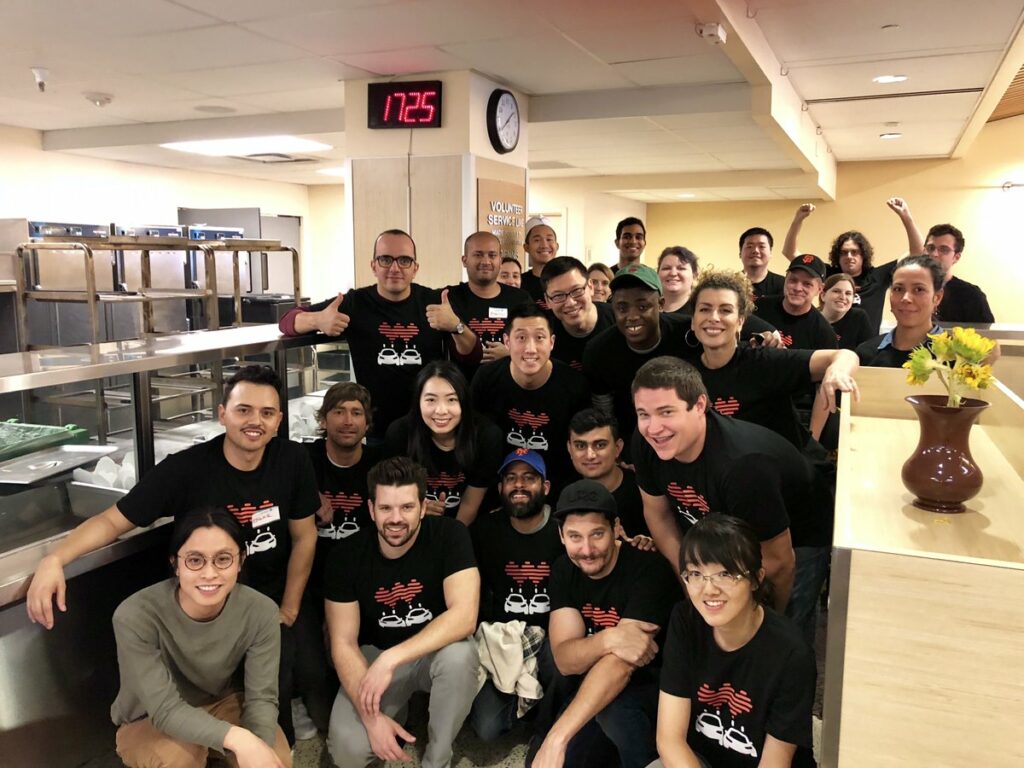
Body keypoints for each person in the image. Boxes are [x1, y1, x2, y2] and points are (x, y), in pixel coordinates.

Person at [27, 365, 320, 743]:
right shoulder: (186, 469)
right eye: (243, 410)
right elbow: (113, 521)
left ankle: (277, 719)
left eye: (266, 413)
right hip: (210, 601)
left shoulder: (292, 460)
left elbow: (305, 537)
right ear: (222, 414)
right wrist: (55, 559)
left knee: (305, 671)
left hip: (273, 596)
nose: (255, 422)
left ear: (279, 419)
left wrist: (290, 608)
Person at [324, 457, 480, 768]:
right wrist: (371, 720)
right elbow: (342, 642)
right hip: (372, 653)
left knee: (460, 656)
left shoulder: (450, 535)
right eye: (385, 508)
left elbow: (464, 617)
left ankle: (438, 759)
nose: (396, 518)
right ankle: (395, 710)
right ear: (371, 510)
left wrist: (392, 658)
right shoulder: (345, 555)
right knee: (347, 753)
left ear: (423, 507)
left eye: (407, 507)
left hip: (431, 652)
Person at [111, 508, 292, 768]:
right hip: (149, 717)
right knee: (178, 759)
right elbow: (164, 709)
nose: (209, 574)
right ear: (175, 563)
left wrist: (257, 747)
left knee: (276, 760)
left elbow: (261, 698)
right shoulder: (134, 616)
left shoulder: (261, 611)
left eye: (223, 559)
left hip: (222, 702)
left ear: (241, 561)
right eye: (195, 560)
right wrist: (239, 740)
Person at [632, 356, 814, 611]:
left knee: (783, 629)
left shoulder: (743, 469)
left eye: (666, 412)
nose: (654, 428)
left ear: (699, 406)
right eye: (644, 414)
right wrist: (691, 581)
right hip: (722, 529)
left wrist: (762, 625)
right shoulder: (647, 441)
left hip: (796, 534)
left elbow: (779, 564)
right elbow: (658, 515)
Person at [531, 479, 681, 768]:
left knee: (613, 715)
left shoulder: (649, 569)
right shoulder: (564, 569)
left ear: (616, 529)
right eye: (575, 537)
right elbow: (564, 659)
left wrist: (558, 737)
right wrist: (610, 638)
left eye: (597, 534)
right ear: (561, 536)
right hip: (592, 683)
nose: (587, 549)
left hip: (652, 687)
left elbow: (626, 660)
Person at [278, 229, 479, 438]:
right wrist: (318, 319)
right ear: (373, 265)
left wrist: (456, 325)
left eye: (404, 260)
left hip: (429, 426)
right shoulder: (356, 302)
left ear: (415, 268)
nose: (395, 268)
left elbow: (472, 355)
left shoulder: (434, 301)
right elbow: (286, 321)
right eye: (385, 259)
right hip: (376, 428)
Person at [654, 515, 816, 768]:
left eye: (725, 574)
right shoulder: (686, 620)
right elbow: (669, 738)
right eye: (696, 574)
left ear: (756, 578)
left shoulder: (791, 653)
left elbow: (775, 762)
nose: (709, 590)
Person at [584, 264, 778, 452]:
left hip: (690, 434)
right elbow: (604, 413)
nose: (632, 316)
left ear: (660, 305)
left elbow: (727, 319)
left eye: (643, 306)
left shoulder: (685, 330)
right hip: (634, 436)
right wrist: (619, 450)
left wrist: (769, 333)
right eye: (622, 308)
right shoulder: (599, 351)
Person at [468, 449, 565, 741]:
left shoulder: (564, 531)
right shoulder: (485, 530)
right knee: (486, 729)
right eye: (511, 478)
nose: (519, 485)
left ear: (545, 487)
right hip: (503, 639)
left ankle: (547, 717)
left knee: (562, 668)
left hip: (552, 638)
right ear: (500, 488)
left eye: (529, 477)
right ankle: (526, 701)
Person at [471, 303, 591, 493]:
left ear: (551, 342)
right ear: (507, 341)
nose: (530, 349)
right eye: (521, 338)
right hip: (498, 483)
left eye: (539, 338)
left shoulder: (574, 385)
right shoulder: (487, 378)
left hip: (557, 484)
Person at [384, 361, 503, 526]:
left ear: (464, 402)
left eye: (451, 400)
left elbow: (470, 504)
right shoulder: (400, 434)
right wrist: (417, 509)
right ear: (418, 402)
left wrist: (452, 540)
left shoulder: (487, 436)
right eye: (431, 400)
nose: (441, 410)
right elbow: (395, 496)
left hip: (468, 526)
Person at [781, 198, 925, 332]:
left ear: (863, 255)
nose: (849, 257)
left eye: (854, 252)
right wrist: (797, 220)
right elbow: (790, 252)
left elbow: (917, 252)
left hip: (865, 349)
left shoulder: (877, 276)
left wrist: (906, 216)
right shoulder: (830, 275)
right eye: (844, 253)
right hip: (829, 344)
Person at [443, 231, 532, 374]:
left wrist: (512, 353)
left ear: (500, 260)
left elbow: (536, 340)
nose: (485, 261)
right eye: (478, 255)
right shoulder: (449, 297)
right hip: (463, 389)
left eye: (492, 255)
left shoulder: (520, 299)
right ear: (464, 260)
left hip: (510, 386)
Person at [567, 408, 650, 541]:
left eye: (600, 445)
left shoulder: (644, 488)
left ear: (618, 448)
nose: (590, 455)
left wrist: (650, 544)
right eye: (580, 446)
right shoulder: (564, 493)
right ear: (569, 449)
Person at [855, 254, 946, 368]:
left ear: (937, 297)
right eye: (898, 289)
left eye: (919, 289)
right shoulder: (866, 354)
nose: (906, 298)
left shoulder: (956, 357)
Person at [542, 256, 616, 372]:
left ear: (590, 287)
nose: (570, 302)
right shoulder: (543, 332)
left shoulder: (617, 318)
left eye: (577, 290)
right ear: (547, 301)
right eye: (558, 296)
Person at [755, 254, 838, 351]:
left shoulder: (824, 333)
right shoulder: (758, 308)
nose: (797, 288)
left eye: (807, 284)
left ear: (819, 289)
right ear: (785, 280)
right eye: (793, 280)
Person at [924, 223, 995, 323]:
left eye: (944, 250)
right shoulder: (912, 290)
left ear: (956, 257)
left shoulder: (971, 296)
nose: (934, 254)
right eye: (930, 248)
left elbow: (987, 337)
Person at [819, 273, 874, 351]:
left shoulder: (858, 317)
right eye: (836, 291)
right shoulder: (811, 319)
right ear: (823, 296)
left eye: (848, 293)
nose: (843, 297)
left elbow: (869, 354)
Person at [521, 217, 560, 306]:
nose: (544, 245)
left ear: (557, 246)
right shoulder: (520, 282)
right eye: (537, 240)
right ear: (526, 247)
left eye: (549, 239)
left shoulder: (566, 280)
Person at [737, 227, 784, 300]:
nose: (755, 250)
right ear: (740, 252)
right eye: (749, 246)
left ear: (770, 252)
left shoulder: (783, 284)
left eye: (761, 246)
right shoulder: (728, 284)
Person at [658, 246, 698, 314]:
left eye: (681, 268)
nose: (673, 273)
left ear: (694, 275)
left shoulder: (700, 309)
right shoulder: (648, 307)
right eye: (666, 268)